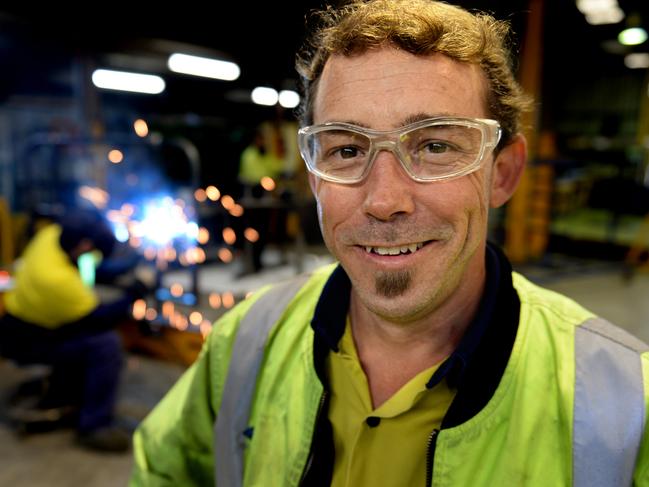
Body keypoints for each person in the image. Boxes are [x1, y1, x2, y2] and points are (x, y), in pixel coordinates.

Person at [131, 1, 649, 485]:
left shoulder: (626, 404)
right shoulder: (248, 339)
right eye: (347, 149)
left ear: (504, 173)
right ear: (314, 179)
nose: (383, 200)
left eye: (435, 145)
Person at [0, 208, 146, 452]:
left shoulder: (52, 235)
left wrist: (119, 269)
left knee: (88, 336)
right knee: (106, 344)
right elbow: (100, 318)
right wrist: (134, 294)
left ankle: (67, 390)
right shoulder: (58, 280)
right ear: (84, 245)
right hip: (26, 340)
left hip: (21, 320)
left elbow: (88, 266)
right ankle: (94, 426)